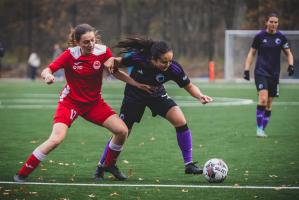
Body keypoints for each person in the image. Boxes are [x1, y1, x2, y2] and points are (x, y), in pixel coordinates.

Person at [13, 24, 152, 182]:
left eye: (92, 40)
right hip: (70, 103)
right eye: (86, 42)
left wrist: (136, 84)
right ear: (77, 42)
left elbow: (115, 72)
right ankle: (22, 173)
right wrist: (48, 76)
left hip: (94, 104)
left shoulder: (103, 51)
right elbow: (47, 70)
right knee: (56, 139)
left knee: (122, 131)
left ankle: (108, 165)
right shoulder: (69, 55)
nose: (90, 44)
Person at [94, 37, 213, 181]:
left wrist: (200, 96)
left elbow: (189, 86)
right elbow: (118, 62)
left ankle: (189, 164)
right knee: (123, 132)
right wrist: (112, 60)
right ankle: (102, 166)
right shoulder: (139, 58)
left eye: (170, 60)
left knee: (180, 120)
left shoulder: (173, 68)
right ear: (153, 59)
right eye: (164, 61)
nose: (168, 64)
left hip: (156, 94)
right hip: (134, 95)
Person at [243, 13, 294, 137]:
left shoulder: (281, 37)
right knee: (263, 99)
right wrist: (246, 69)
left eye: (276, 22)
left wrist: (291, 65)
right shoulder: (260, 36)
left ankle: (262, 129)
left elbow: (288, 53)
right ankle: (259, 129)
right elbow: (251, 53)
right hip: (261, 72)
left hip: (274, 74)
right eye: (271, 21)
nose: (273, 24)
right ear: (266, 22)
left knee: (269, 103)